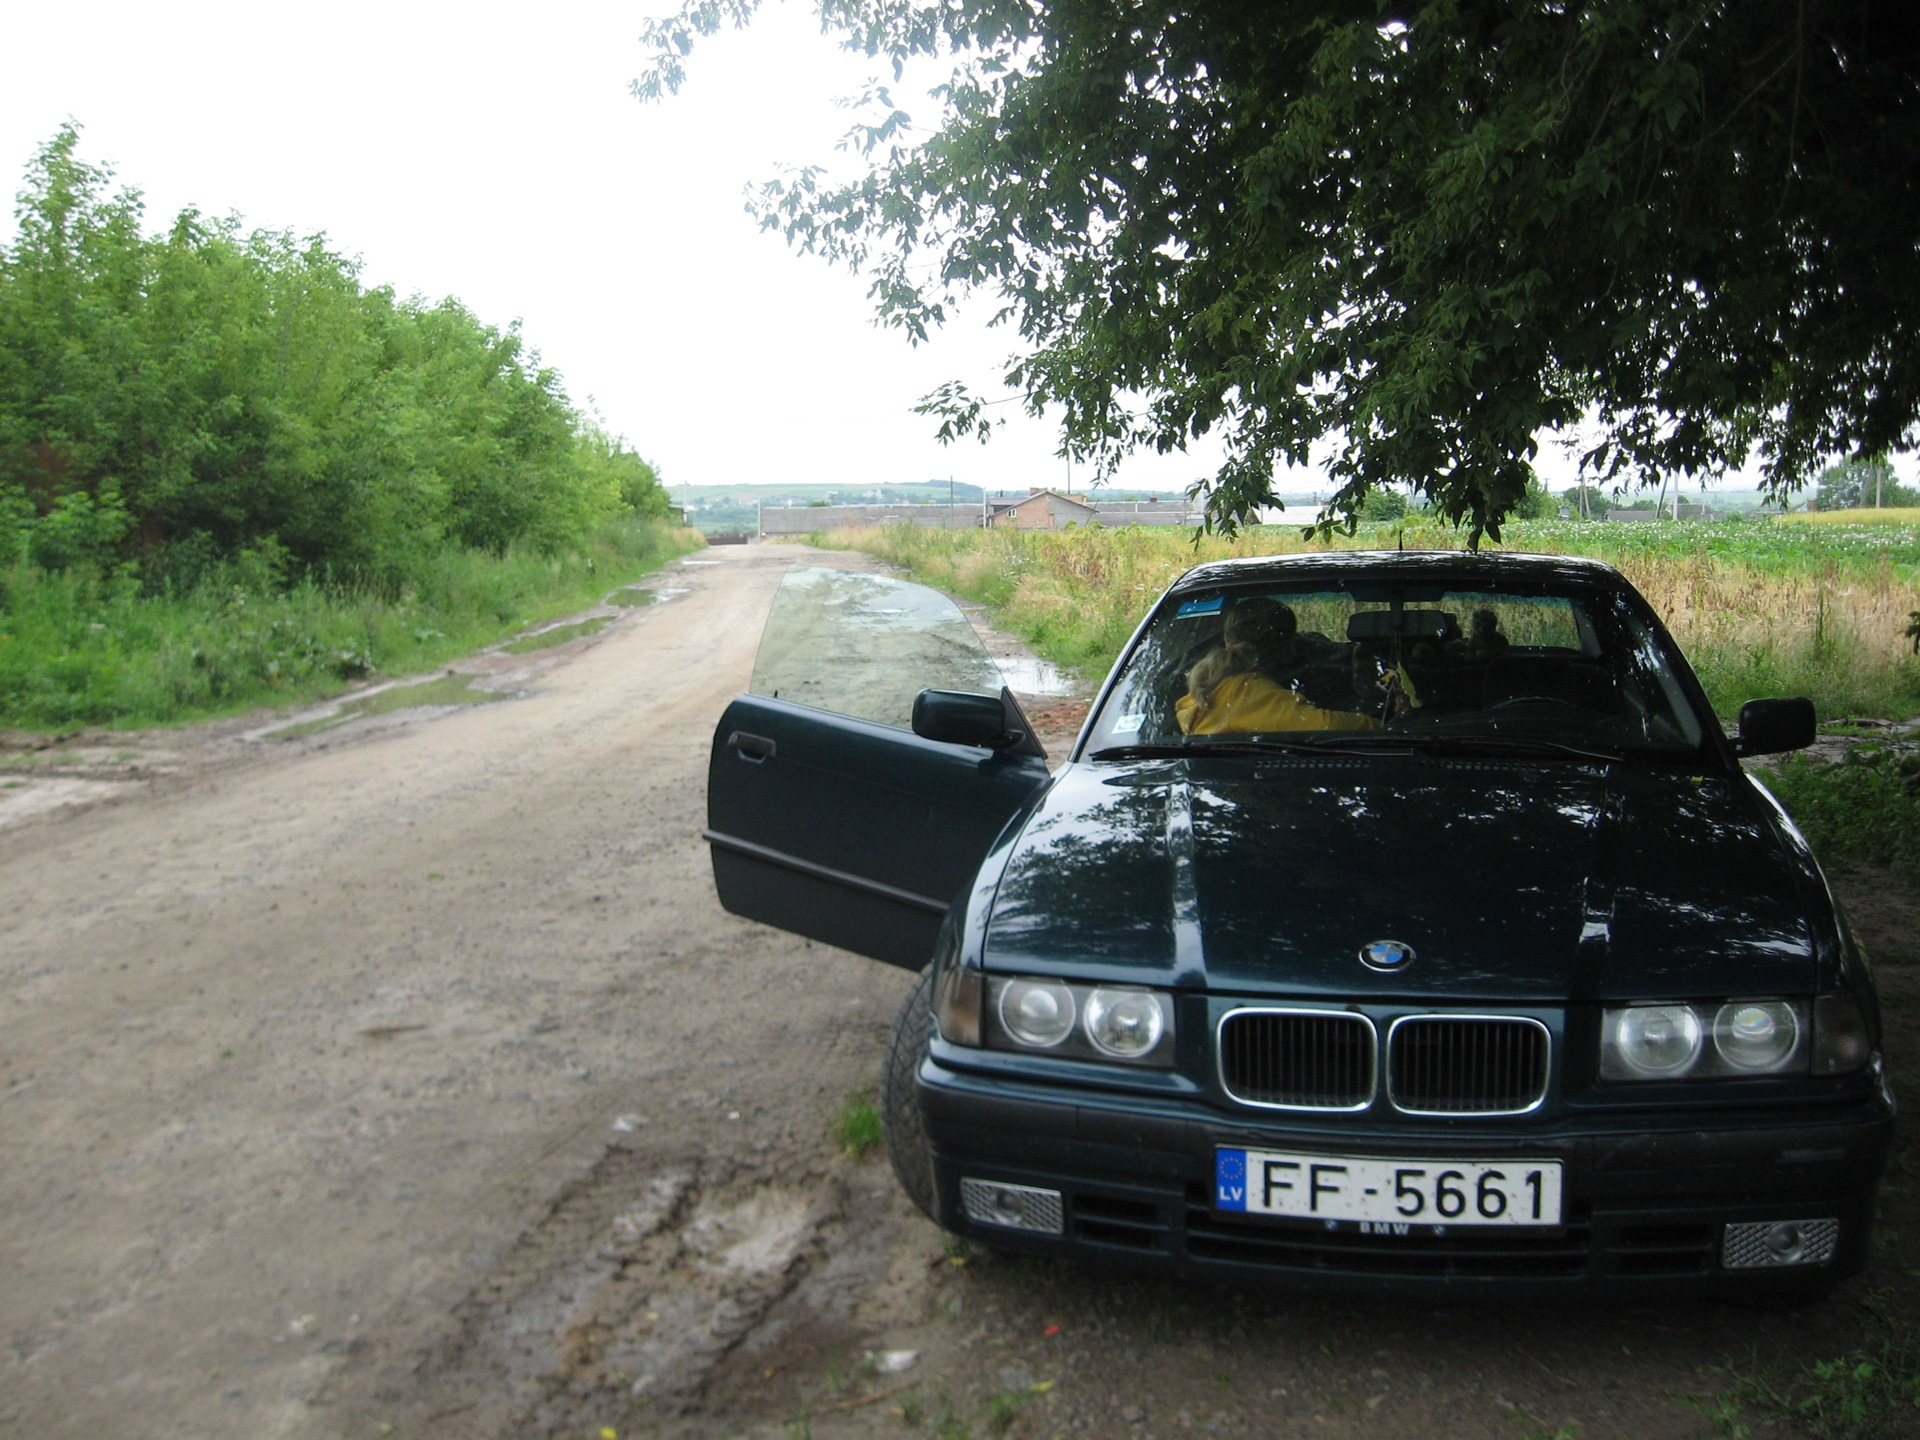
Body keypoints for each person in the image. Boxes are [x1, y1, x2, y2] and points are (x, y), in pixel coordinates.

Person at [1176, 598, 1379, 735]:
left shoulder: (1212, 685)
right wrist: (1385, 727)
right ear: (1290, 643)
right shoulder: (1248, 692)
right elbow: (1326, 725)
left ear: (1227, 638)